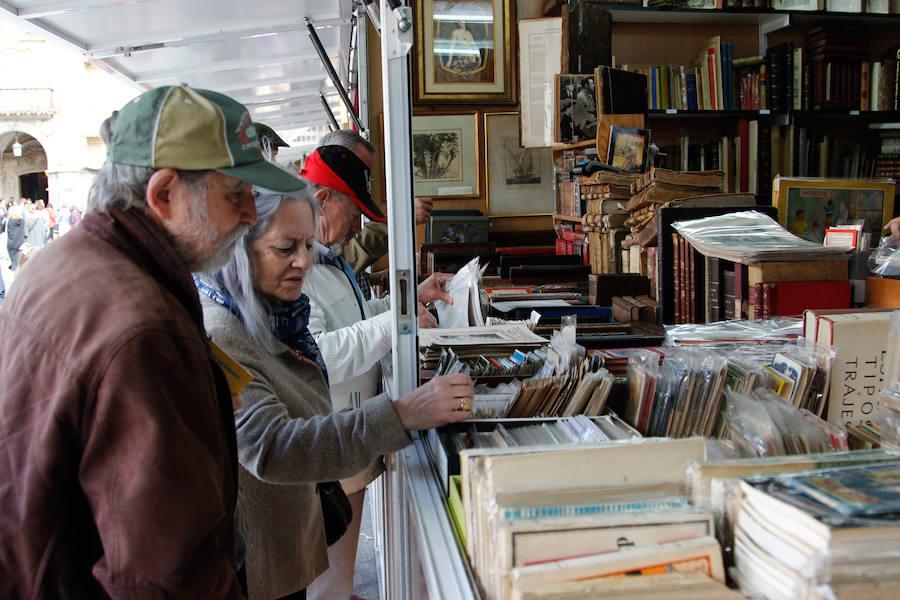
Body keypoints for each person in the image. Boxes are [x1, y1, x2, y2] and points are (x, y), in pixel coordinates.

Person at [0, 83, 305, 598]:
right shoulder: (144, 328)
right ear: (163, 194)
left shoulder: (63, 263)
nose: (252, 214)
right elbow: (166, 574)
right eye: (236, 195)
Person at [196, 186, 472, 600]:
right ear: (240, 248)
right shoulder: (226, 333)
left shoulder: (275, 315)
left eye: (309, 244)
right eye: (286, 247)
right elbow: (272, 447)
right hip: (257, 565)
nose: (304, 262)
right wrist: (401, 415)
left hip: (284, 549)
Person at [299, 146, 451, 600]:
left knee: (339, 576)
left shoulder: (328, 256)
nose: (356, 226)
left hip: (352, 436)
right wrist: (395, 320)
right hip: (332, 440)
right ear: (323, 198)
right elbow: (317, 355)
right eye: (352, 211)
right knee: (326, 579)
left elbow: (358, 318)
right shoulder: (298, 266)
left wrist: (408, 300)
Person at [316, 129, 433, 299]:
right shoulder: (310, 242)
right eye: (355, 169)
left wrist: (373, 279)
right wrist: (403, 219)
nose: (363, 179)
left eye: (367, 174)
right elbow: (347, 256)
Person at [5, 197, 25, 270]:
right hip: (20, 244)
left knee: (13, 262)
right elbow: (24, 232)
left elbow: (7, 232)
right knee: (18, 263)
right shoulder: (22, 221)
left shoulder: (9, 221)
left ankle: (15, 275)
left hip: (11, 243)